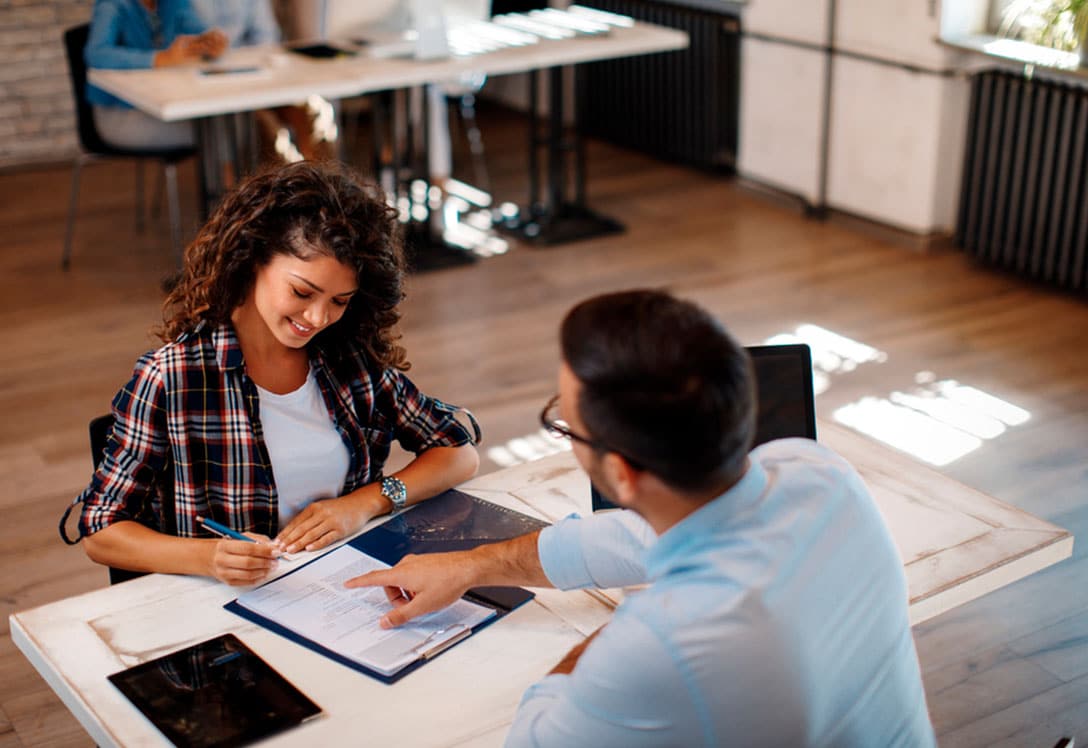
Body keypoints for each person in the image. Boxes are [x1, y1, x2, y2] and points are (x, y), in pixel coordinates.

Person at [346, 289, 936, 747]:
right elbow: (625, 541)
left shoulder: (662, 645)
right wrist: (470, 566)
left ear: (622, 474)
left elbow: (533, 738)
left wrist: (613, 642)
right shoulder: (815, 470)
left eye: (566, 425)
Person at [71, 161, 480, 586]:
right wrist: (208, 557)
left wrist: (362, 504)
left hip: (344, 593)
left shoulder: (349, 361)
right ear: (251, 261)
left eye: (340, 301)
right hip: (225, 616)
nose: (319, 317)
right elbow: (101, 529)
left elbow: (458, 453)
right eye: (302, 292)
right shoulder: (172, 380)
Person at [85, 0, 229, 149]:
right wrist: (159, 59)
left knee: (224, 125)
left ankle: (226, 171)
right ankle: (227, 172)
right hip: (121, 113)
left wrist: (210, 42)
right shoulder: (112, 4)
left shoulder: (174, 3)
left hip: (167, 104)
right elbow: (96, 54)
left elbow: (195, 28)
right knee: (218, 131)